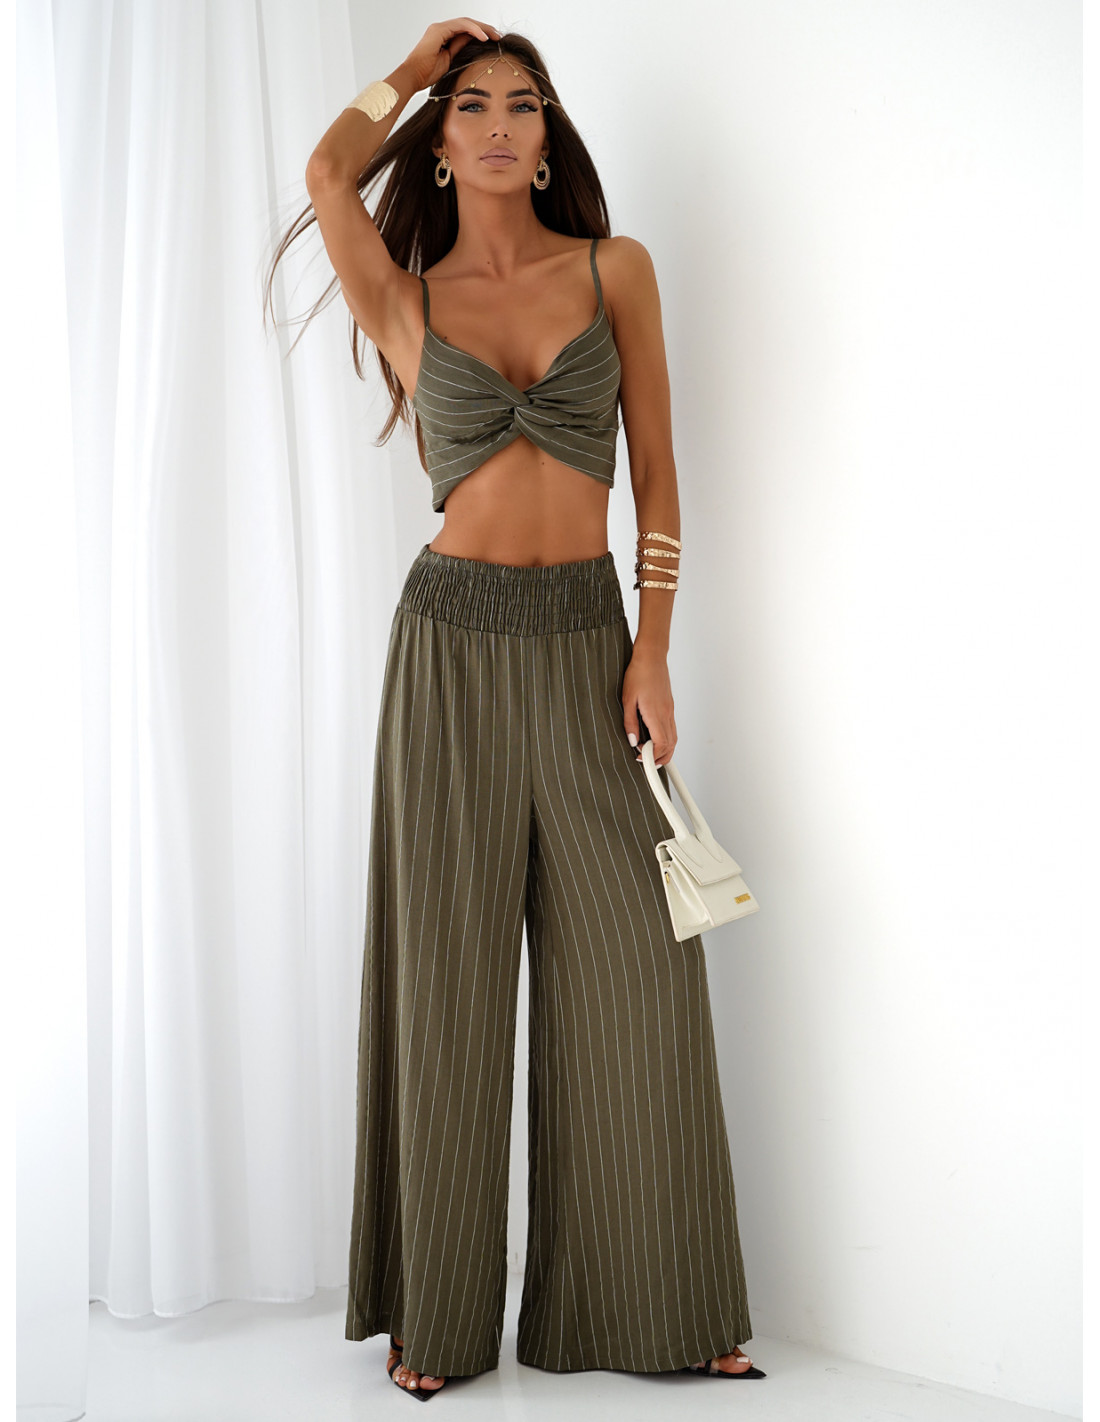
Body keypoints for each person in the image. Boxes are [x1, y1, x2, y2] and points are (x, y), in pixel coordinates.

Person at [270, 18, 766, 1401]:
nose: (498, 124)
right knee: (446, 987)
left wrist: (653, 648)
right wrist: (415, 65)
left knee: (641, 978)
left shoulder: (616, 270)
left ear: (549, 140)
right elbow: (326, 171)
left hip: (588, 645)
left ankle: (665, 1305)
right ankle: (434, 1322)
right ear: (441, 141)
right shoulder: (403, 298)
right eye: (474, 105)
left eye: (523, 104)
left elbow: (658, 471)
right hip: (448, 651)